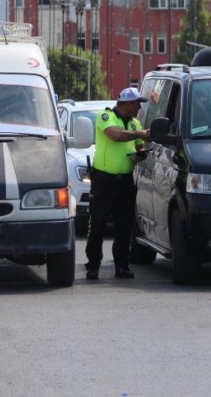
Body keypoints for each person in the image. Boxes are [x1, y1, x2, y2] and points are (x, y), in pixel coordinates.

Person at [84, 87, 151, 280]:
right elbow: (116, 135)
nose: (139, 107)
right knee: (97, 224)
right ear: (127, 104)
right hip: (104, 180)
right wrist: (139, 134)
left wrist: (141, 152)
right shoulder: (106, 116)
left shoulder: (134, 123)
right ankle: (93, 265)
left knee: (124, 225)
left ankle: (122, 265)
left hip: (125, 181)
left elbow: (139, 146)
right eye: (137, 103)